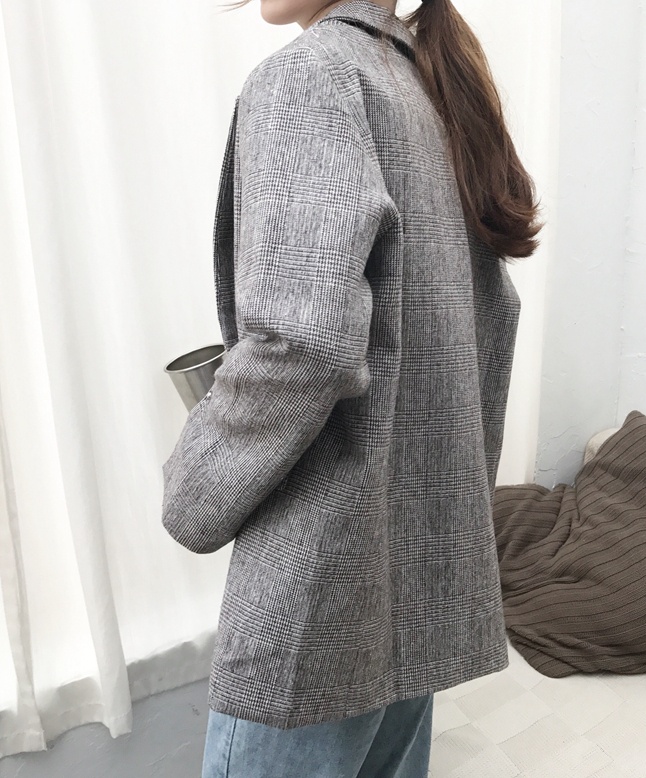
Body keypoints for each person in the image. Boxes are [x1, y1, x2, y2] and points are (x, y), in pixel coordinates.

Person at [160, 0, 541, 775]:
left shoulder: (312, 77)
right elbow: (488, 326)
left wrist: (191, 491)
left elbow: (301, 342)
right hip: (410, 586)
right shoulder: (429, 89)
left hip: (323, 590)